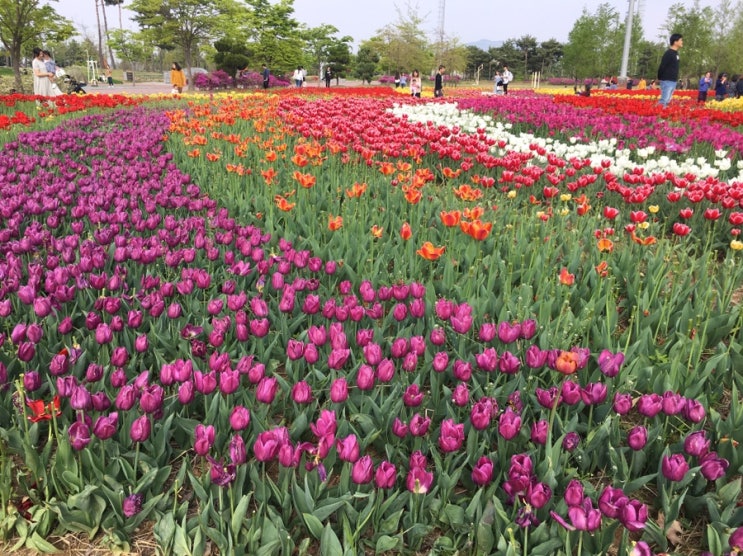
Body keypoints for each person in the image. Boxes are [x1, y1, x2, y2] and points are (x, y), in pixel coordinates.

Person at [657, 33, 683, 107]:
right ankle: (657, 115)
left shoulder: (676, 54)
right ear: (675, 42)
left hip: (673, 81)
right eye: (681, 40)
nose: (682, 42)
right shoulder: (669, 53)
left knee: (667, 100)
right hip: (667, 80)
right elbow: (662, 66)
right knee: (664, 100)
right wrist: (660, 77)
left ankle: (660, 115)